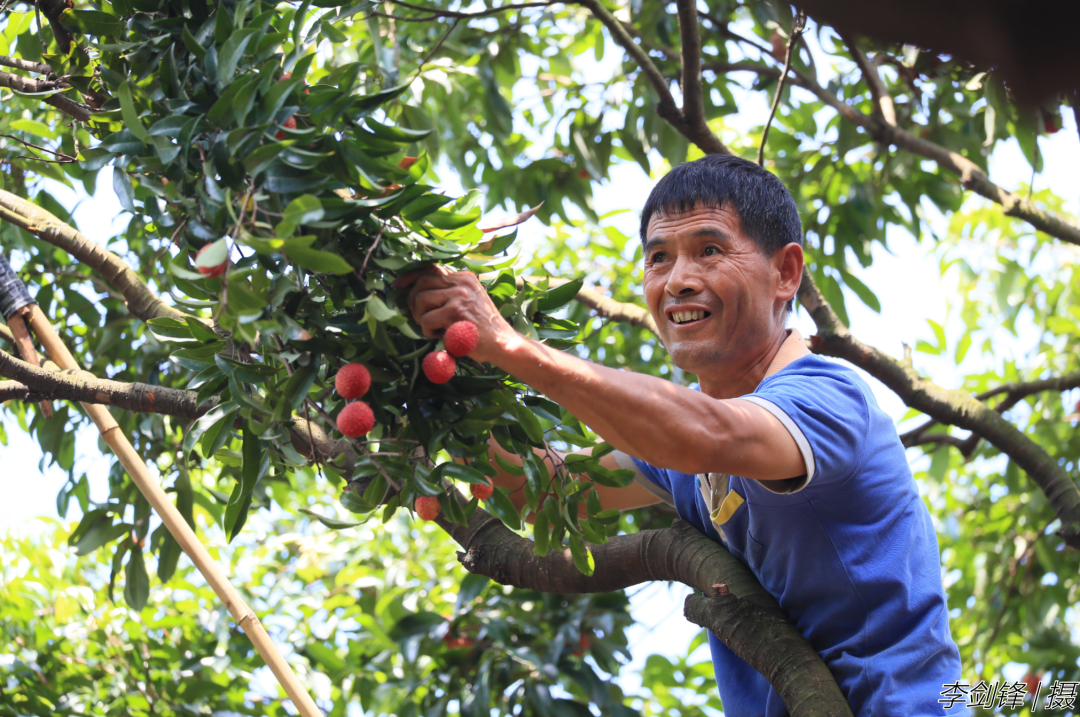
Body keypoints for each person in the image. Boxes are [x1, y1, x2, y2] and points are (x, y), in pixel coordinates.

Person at [396, 154, 962, 716]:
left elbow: (702, 433)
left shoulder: (828, 395)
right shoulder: (688, 446)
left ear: (786, 273)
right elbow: (543, 490)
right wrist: (431, 386)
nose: (678, 281)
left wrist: (509, 344)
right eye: (658, 258)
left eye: (710, 250)